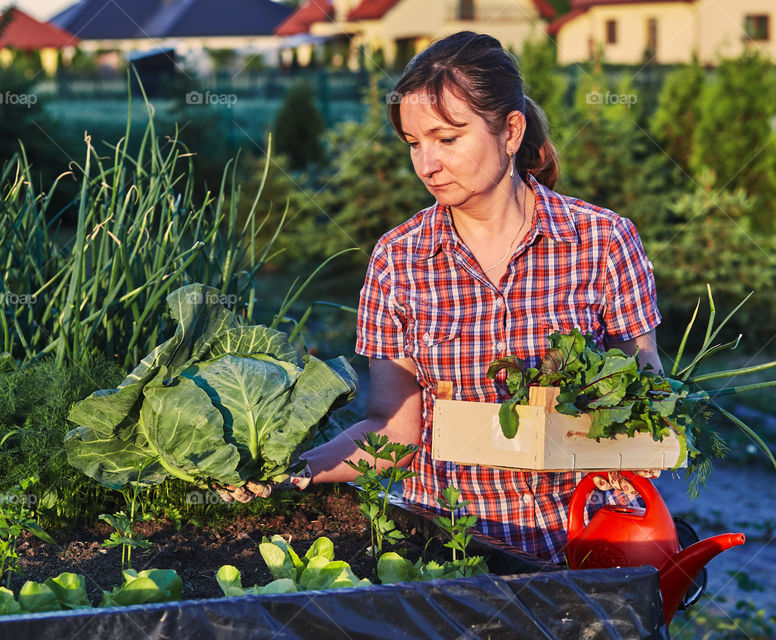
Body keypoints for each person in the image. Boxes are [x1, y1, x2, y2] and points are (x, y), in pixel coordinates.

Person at [218, 31, 663, 564]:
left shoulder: (602, 241)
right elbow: (394, 429)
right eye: (413, 143)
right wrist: (297, 471)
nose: (426, 164)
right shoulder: (398, 260)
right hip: (456, 550)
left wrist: (630, 428)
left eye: (447, 139)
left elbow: (644, 393)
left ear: (511, 130)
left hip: (588, 545)